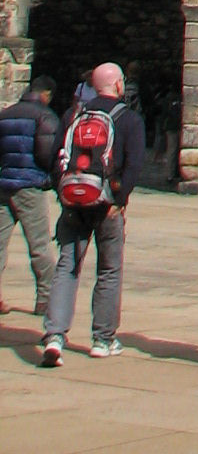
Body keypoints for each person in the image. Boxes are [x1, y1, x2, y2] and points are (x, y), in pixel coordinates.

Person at [40, 60, 146, 364]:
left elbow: (55, 157)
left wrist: (63, 192)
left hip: (74, 201)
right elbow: (134, 164)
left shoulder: (73, 115)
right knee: (109, 270)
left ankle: (55, 336)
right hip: (107, 204)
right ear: (118, 85)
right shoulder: (129, 119)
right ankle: (103, 339)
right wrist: (119, 198)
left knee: (67, 266)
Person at [0, 72, 59, 318]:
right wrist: (50, 180)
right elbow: (49, 155)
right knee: (39, 245)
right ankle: (45, 299)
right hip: (30, 186)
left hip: (3, 185)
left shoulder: (5, 115)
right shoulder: (45, 117)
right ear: (46, 95)